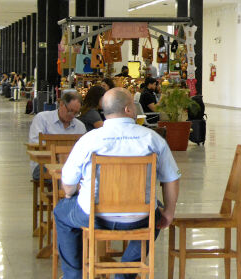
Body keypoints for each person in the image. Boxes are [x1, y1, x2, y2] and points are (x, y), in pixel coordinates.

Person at [54, 87, 181, 279]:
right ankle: (124, 274)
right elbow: (171, 178)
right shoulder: (152, 139)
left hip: (95, 216)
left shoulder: (89, 140)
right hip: (139, 218)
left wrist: (71, 194)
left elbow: (68, 182)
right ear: (129, 110)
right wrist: (169, 213)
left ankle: (74, 274)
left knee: (61, 212)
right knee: (158, 215)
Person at [28, 89, 86, 179]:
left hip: (72, 166)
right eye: (70, 111)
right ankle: (67, 191)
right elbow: (36, 144)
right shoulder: (42, 119)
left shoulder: (80, 127)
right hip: (44, 165)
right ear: (62, 104)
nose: (72, 115)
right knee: (64, 175)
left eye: (76, 113)